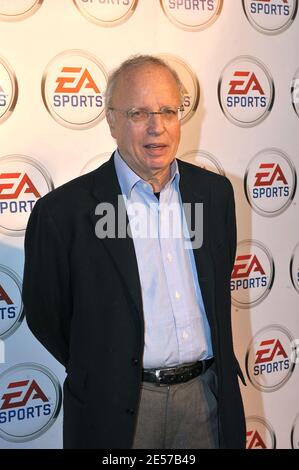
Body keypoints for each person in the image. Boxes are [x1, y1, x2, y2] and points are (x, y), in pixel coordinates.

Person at [22, 55, 246, 449]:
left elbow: (218, 280)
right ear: (111, 120)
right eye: (138, 112)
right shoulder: (63, 213)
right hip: (115, 409)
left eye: (167, 111)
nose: (157, 127)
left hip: (205, 400)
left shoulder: (215, 195)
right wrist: (105, 364)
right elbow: (47, 316)